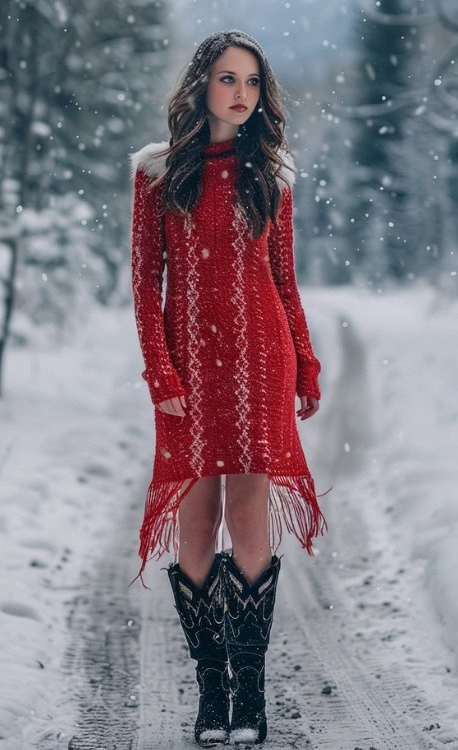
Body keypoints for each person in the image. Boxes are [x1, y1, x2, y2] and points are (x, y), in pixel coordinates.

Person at [128, 29, 332, 747]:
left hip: (262, 357)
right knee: (194, 512)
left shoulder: (272, 173)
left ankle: (250, 693)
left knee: (248, 513)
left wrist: (304, 362)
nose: (240, 93)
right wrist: (160, 369)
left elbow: (285, 280)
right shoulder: (158, 172)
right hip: (190, 362)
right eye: (226, 79)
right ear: (201, 86)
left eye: (251, 81)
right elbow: (144, 282)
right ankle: (209, 687)